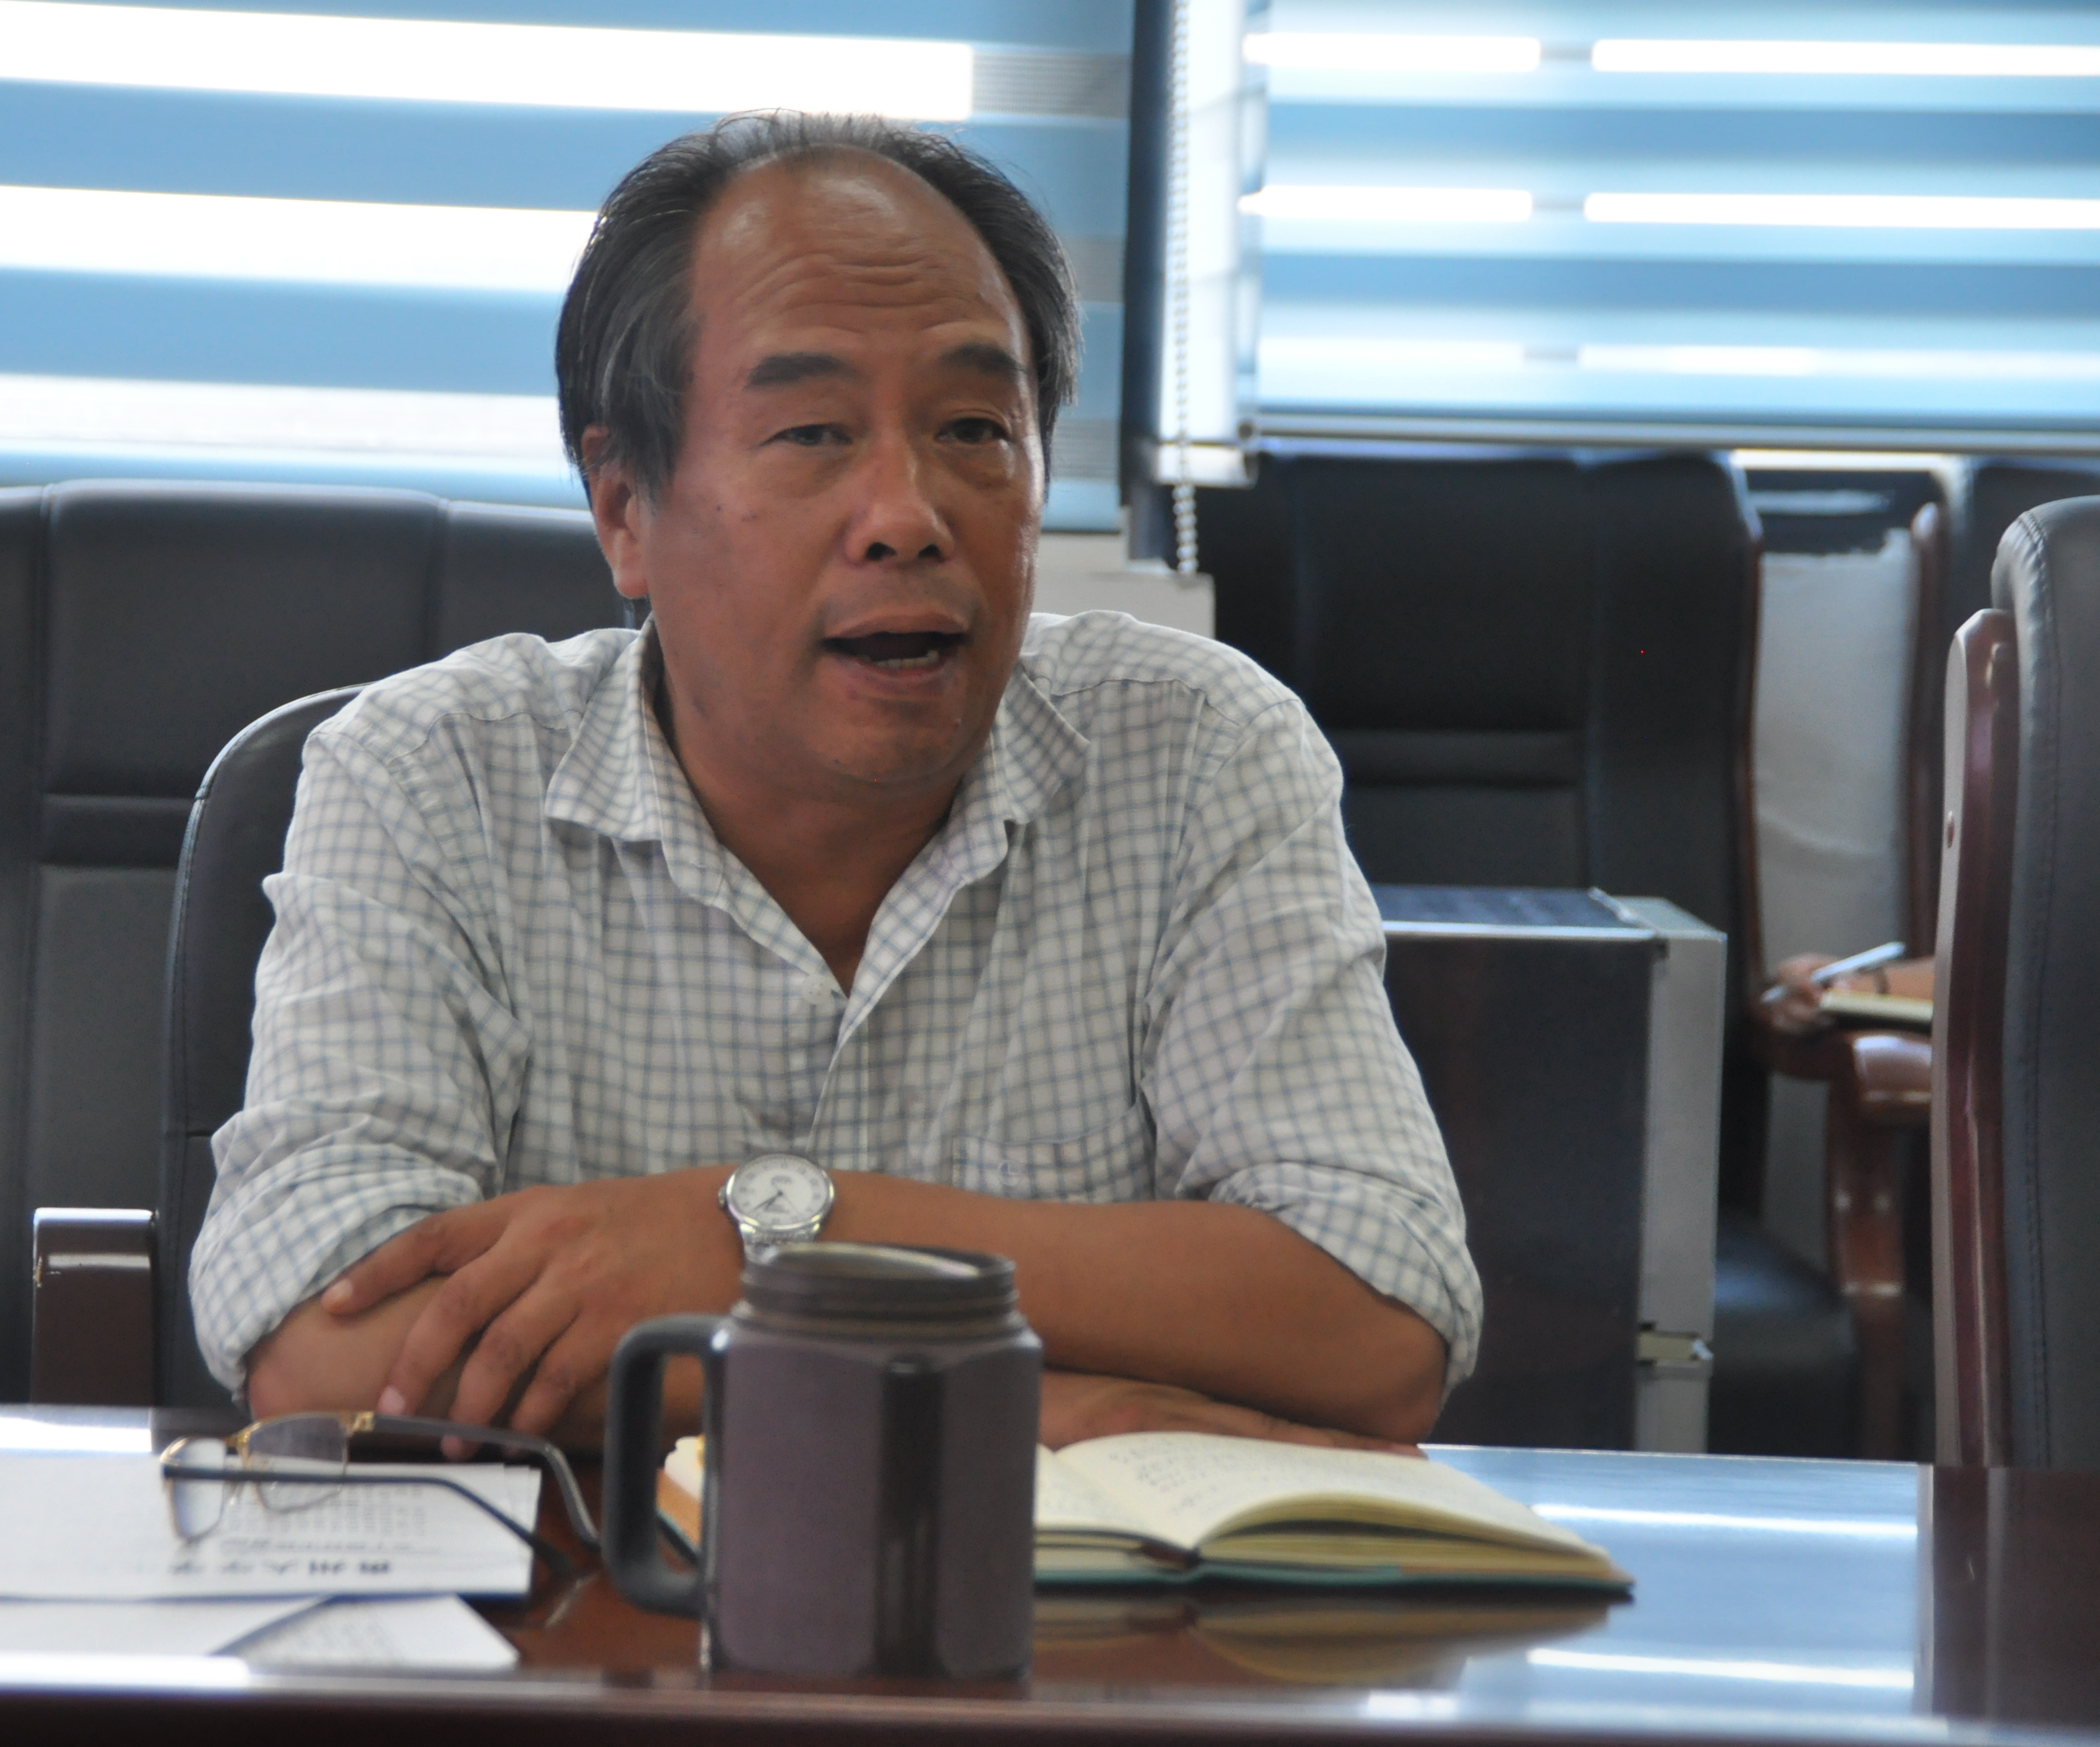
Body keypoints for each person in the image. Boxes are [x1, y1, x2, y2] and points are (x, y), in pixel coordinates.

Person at [191, 112, 1479, 1453]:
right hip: (587, 1585)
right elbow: (324, 1341)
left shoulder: (1200, 750)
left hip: (1076, 1596)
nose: (906, 516)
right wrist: (1018, 1404)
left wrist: (766, 1235)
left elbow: (1379, 1317)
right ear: (624, 509)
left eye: (974, 427)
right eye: (811, 432)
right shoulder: (430, 777)